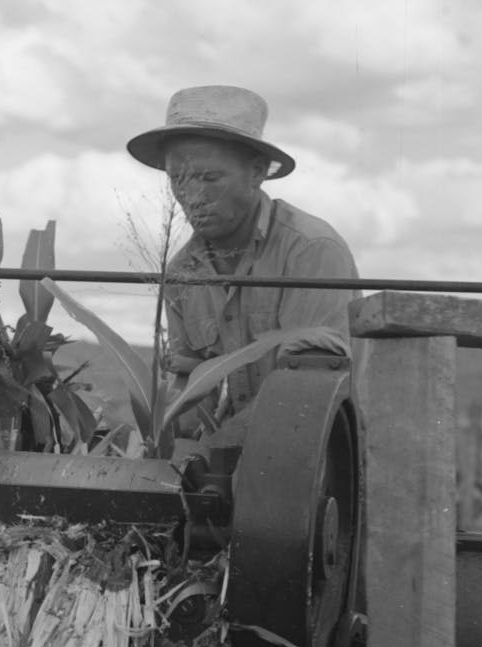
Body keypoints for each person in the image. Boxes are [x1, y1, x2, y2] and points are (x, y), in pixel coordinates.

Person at [127, 85, 360, 445]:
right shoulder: (182, 273)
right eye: (178, 179)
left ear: (256, 172)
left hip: (312, 459)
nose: (191, 196)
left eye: (209, 178)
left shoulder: (310, 251)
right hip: (228, 456)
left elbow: (308, 390)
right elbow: (189, 384)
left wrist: (216, 448)